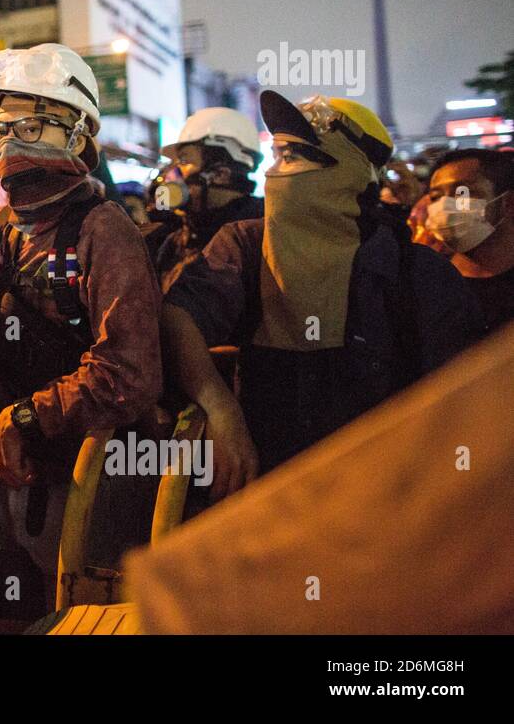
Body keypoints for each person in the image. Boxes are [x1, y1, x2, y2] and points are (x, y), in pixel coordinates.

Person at [161, 92, 481, 495]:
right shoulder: (244, 245)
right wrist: (222, 411)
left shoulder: (417, 274)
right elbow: (179, 315)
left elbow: (456, 408)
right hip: (268, 496)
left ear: (347, 170)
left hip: (382, 500)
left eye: (293, 156)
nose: (274, 173)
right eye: (275, 156)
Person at [0, 44, 163, 599]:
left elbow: (130, 373)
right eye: (2, 127)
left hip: (94, 479)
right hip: (10, 483)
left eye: (29, 124)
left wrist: (28, 417)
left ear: (78, 135)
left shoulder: (104, 231)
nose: (10, 141)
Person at [143, 107, 264, 292]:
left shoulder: (260, 238)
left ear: (221, 174)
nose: (172, 174)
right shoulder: (173, 242)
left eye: (184, 161)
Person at [425, 147, 514, 332]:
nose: (445, 207)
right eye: (436, 197)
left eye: (463, 194)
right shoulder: (427, 283)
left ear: (508, 203)